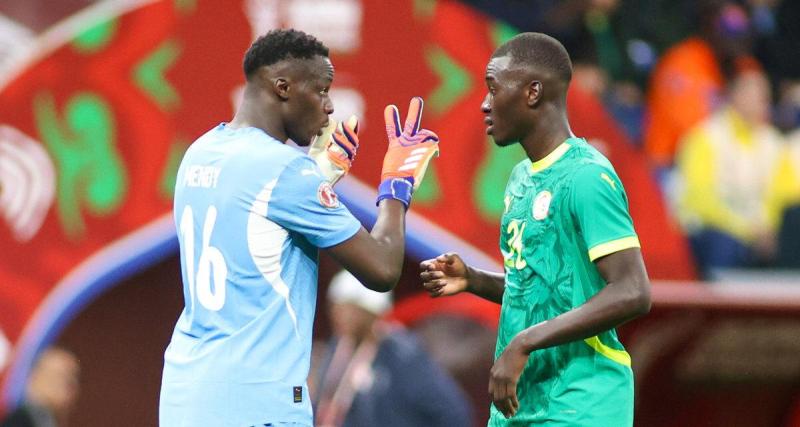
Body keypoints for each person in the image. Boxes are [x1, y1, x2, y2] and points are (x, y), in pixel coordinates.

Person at [159, 29, 440, 426]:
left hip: (186, 393)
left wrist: (318, 179)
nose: (329, 107)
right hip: (258, 399)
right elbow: (383, 269)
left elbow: (254, 221)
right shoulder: (286, 171)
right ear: (283, 87)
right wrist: (397, 186)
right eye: (322, 90)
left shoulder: (200, 152)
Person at [420, 33, 651, 426]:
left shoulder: (587, 176)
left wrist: (524, 342)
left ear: (532, 92)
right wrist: (474, 279)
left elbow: (633, 291)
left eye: (493, 89)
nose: (484, 103)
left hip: (583, 403)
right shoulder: (520, 179)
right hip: (521, 406)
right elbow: (542, 290)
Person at [310, 270, 471, 427]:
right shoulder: (337, 347)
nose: (339, 316)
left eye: (349, 310)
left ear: (371, 312)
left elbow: (453, 411)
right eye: (336, 308)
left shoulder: (402, 355)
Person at [672, 69, 786, 274]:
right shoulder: (705, 137)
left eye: (765, 97)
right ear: (736, 95)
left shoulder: (773, 142)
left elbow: (778, 196)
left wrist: (767, 228)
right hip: (712, 231)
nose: (763, 102)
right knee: (724, 243)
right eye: (757, 95)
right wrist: (745, 229)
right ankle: (720, 306)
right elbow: (701, 200)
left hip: (759, 233)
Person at [644, 0, 759, 168]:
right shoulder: (682, 62)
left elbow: (761, 124)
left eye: (741, 27)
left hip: (728, 163)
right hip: (670, 166)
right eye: (727, 26)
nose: (735, 35)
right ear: (709, 23)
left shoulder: (744, 65)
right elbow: (690, 135)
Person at [0, 347, 80, 427]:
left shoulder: (45, 420)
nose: (72, 384)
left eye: (74, 377)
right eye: (61, 376)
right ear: (34, 377)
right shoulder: (20, 420)